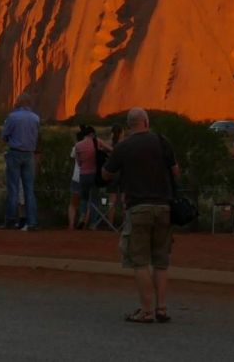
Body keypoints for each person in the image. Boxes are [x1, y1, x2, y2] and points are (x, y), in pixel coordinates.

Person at [101, 107, 179, 324]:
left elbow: (106, 174)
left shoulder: (123, 147)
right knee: (161, 261)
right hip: (164, 208)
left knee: (139, 261)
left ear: (129, 125)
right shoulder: (163, 142)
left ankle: (146, 311)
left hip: (139, 209)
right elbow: (176, 172)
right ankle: (161, 308)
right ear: (146, 122)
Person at [1, 93, 41, 230]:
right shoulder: (36, 118)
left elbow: (4, 135)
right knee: (29, 189)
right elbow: (37, 136)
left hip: (15, 153)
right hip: (29, 155)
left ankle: (10, 221)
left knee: (13, 188)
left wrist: (11, 141)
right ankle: (33, 222)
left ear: (21, 102)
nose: (15, 102)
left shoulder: (12, 117)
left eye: (17, 100)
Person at [74, 124, 112, 229]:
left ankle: (82, 216)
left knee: (84, 198)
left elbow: (78, 162)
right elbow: (110, 149)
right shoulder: (97, 141)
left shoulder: (78, 145)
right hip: (94, 174)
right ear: (92, 134)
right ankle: (92, 224)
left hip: (83, 175)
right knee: (94, 199)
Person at [105, 124, 125, 226]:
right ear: (121, 133)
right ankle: (125, 224)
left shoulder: (108, 144)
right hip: (123, 174)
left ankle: (110, 224)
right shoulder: (125, 144)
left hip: (112, 174)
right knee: (124, 199)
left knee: (111, 200)